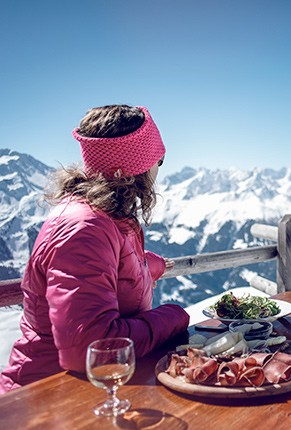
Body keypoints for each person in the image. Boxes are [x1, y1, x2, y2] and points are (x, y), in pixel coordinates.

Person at [0, 105, 190, 393]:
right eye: (158, 160)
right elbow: (90, 346)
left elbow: (107, 268)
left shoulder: (104, 217)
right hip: (42, 397)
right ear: (136, 167)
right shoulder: (84, 230)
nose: (158, 170)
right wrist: (175, 316)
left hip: (81, 392)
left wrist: (151, 265)